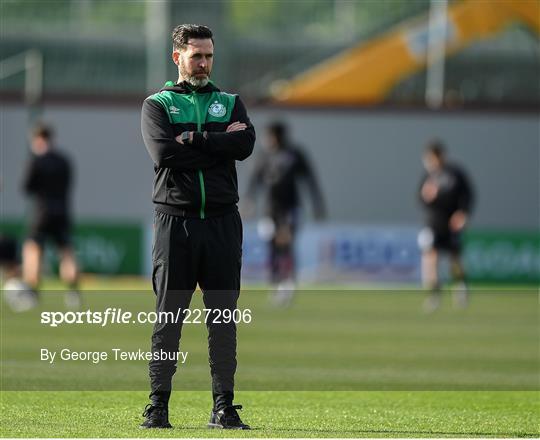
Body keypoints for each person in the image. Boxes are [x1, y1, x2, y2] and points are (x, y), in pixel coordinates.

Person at [140, 24, 255, 429]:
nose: (203, 63)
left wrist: (197, 139)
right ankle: (158, 406)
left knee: (222, 318)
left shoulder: (230, 101)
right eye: (196, 56)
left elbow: (245, 145)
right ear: (178, 58)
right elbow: (164, 153)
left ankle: (223, 407)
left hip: (223, 223)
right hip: (176, 224)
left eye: (208, 56)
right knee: (169, 317)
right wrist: (218, 143)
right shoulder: (158, 104)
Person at [245, 121, 325, 306]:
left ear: (278, 136)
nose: (266, 140)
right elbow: (255, 180)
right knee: (272, 246)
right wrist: (249, 201)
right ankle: (275, 283)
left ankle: (288, 284)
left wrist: (317, 205)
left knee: (286, 244)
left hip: (290, 208)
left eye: (269, 136)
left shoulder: (294, 154)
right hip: (269, 209)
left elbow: (310, 180)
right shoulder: (264, 156)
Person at [21, 124, 81, 309]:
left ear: (37, 139)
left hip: (42, 213)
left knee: (33, 250)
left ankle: (32, 292)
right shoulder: (64, 161)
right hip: (62, 211)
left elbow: (27, 188)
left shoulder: (36, 161)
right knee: (66, 252)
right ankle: (73, 293)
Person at [418, 140, 474, 312]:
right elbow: (421, 198)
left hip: (452, 224)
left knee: (454, 259)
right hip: (434, 223)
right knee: (430, 258)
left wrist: (463, 213)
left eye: (432, 157)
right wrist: (426, 196)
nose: (430, 162)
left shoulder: (454, 173)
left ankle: (461, 289)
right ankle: (434, 296)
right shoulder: (429, 176)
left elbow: (468, 194)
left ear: (440, 156)